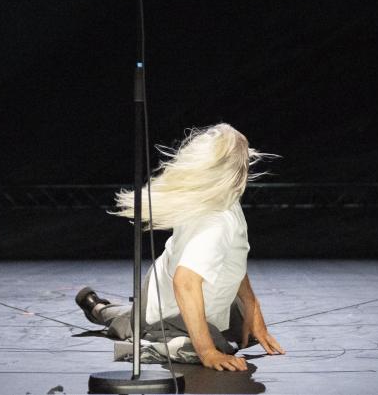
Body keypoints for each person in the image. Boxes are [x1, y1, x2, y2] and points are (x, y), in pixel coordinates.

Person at [75, 124, 285, 371]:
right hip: (169, 309)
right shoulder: (215, 223)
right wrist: (207, 351)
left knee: (238, 334)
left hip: (200, 300)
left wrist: (251, 304)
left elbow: (231, 259)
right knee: (144, 327)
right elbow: (185, 282)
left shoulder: (224, 200)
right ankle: (99, 309)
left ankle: (113, 310)